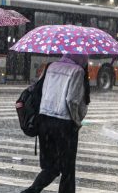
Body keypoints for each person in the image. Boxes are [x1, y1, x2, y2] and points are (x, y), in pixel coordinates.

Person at [22, 54, 90, 193]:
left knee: (51, 167)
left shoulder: (51, 66)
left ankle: (31, 191)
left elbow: (39, 90)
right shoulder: (77, 71)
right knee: (68, 170)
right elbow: (72, 100)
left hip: (44, 122)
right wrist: (77, 121)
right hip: (64, 124)